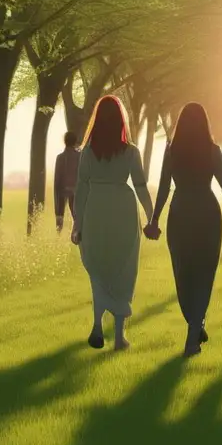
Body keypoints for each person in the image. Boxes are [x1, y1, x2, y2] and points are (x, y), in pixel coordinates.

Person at [145, 103, 222, 357]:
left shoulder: (172, 152)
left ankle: (193, 330)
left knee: (183, 273)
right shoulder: (212, 151)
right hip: (207, 215)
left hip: (180, 214)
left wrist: (155, 220)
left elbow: (163, 189)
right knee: (204, 274)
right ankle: (196, 324)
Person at [71, 95, 154, 351]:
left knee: (98, 268)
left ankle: (97, 325)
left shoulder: (87, 152)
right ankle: (119, 336)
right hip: (123, 211)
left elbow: (81, 189)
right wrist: (152, 216)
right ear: (121, 120)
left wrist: (77, 223)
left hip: (95, 210)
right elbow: (140, 186)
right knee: (122, 270)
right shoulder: (130, 152)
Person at [53, 131, 81, 234]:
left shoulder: (60, 158)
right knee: (77, 218)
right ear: (75, 142)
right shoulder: (80, 156)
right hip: (76, 191)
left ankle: (58, 236)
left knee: (60, 217)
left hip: (62, 191)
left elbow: (57, 179)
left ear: (65, 141)